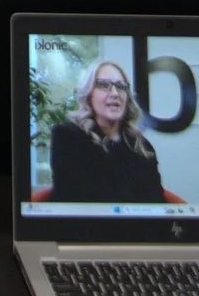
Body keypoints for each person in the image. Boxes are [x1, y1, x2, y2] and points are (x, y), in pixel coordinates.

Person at [46, 59, 167, 205]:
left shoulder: (142, 146)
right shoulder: (68, 136)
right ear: (90, 95)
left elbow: (156, 203)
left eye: (121, 86)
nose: (115, 93)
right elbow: (74, 197)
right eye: (104, 85)